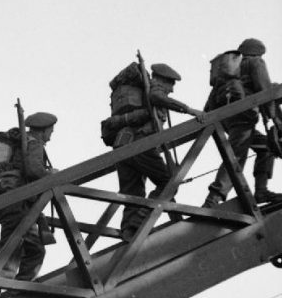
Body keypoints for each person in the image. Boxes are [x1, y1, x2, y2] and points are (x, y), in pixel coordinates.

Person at [116, 63, 204, 242]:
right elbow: (157, 97)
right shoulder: (154, 89)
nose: (171, 90)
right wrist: (189, 110)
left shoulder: (143, 92)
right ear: (161, 80)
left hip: (124, 144)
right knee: (169, 182)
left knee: (132, 191)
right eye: (171, 84)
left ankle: (128, 231)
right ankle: (138, 222)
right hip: (141, 144)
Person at [204, 38, 282, 207]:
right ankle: (213, 199)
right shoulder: (255, 62)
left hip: (229, 120)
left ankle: (261, 191)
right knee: (236, 157)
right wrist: (273, 119)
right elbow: (265, 90)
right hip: (245, 116)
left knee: (266, 148)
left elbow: (209, 106)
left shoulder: (227, 71)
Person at [0, 111, 58, 281]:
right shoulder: (35, 143)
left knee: (28, 248)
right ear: (43, 131)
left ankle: (9, 289)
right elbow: (33, 170)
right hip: (19, 203)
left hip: (12, 200)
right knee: (12, 250)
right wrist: (51, 175)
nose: (50, 137)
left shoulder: (22, 142)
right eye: (50, 132)